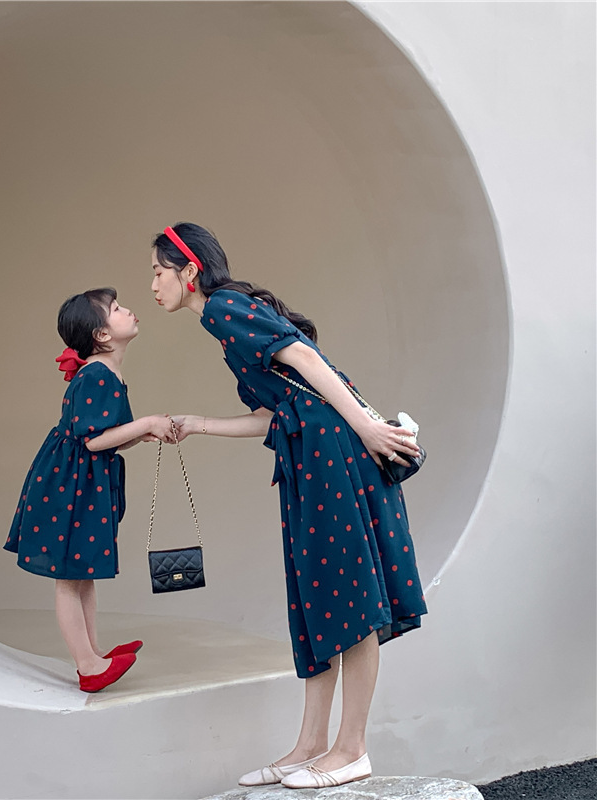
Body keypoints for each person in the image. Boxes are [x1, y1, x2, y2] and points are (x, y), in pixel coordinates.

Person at [151, 223, 428, 788]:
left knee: (349, 592)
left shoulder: (224, 308)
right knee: (319, 595)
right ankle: (310, 745)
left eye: (158, 272)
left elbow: (305, 358)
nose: (152, 285)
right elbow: (274, 414)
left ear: (189, 272)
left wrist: (367, 427)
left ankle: (352, 749)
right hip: (312, 454)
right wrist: (196, 424)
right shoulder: (224, 320)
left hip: (331, 452)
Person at [4, 288, 176, 693]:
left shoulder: (105, 372)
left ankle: (94, 652)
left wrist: (140, 433)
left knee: (81, 573)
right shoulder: (97, 374)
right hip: (69, 486)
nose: (127, 310)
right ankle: (87, 665)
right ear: (101, 335)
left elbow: (105, 437)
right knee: (69, 577)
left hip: (80, 481)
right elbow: (94, 440)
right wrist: (146, 422)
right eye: (116, 309)